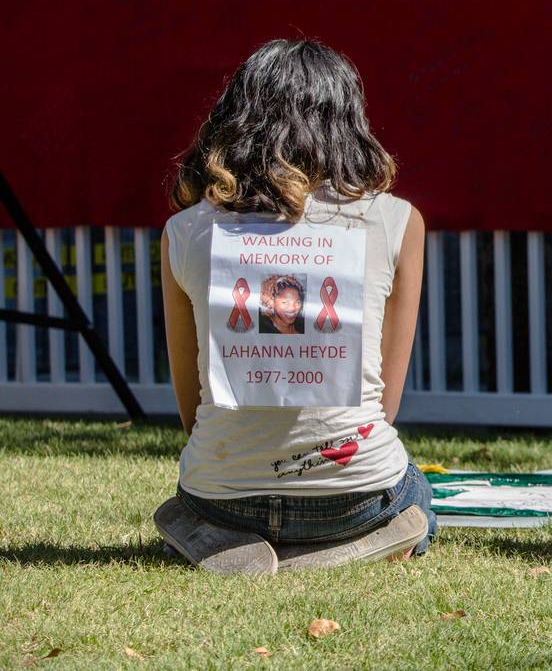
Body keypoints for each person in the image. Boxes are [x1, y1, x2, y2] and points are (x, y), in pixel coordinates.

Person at [155, 39, 436, 574]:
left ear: (235, 119)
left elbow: (192, 412)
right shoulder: (398, 222)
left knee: (181, 505)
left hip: (222, 498)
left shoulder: (184, 232)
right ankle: (338, 549)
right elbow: (387, 404)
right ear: (348, 122)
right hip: (356, 497)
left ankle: (209, 539)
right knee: (415, 492)